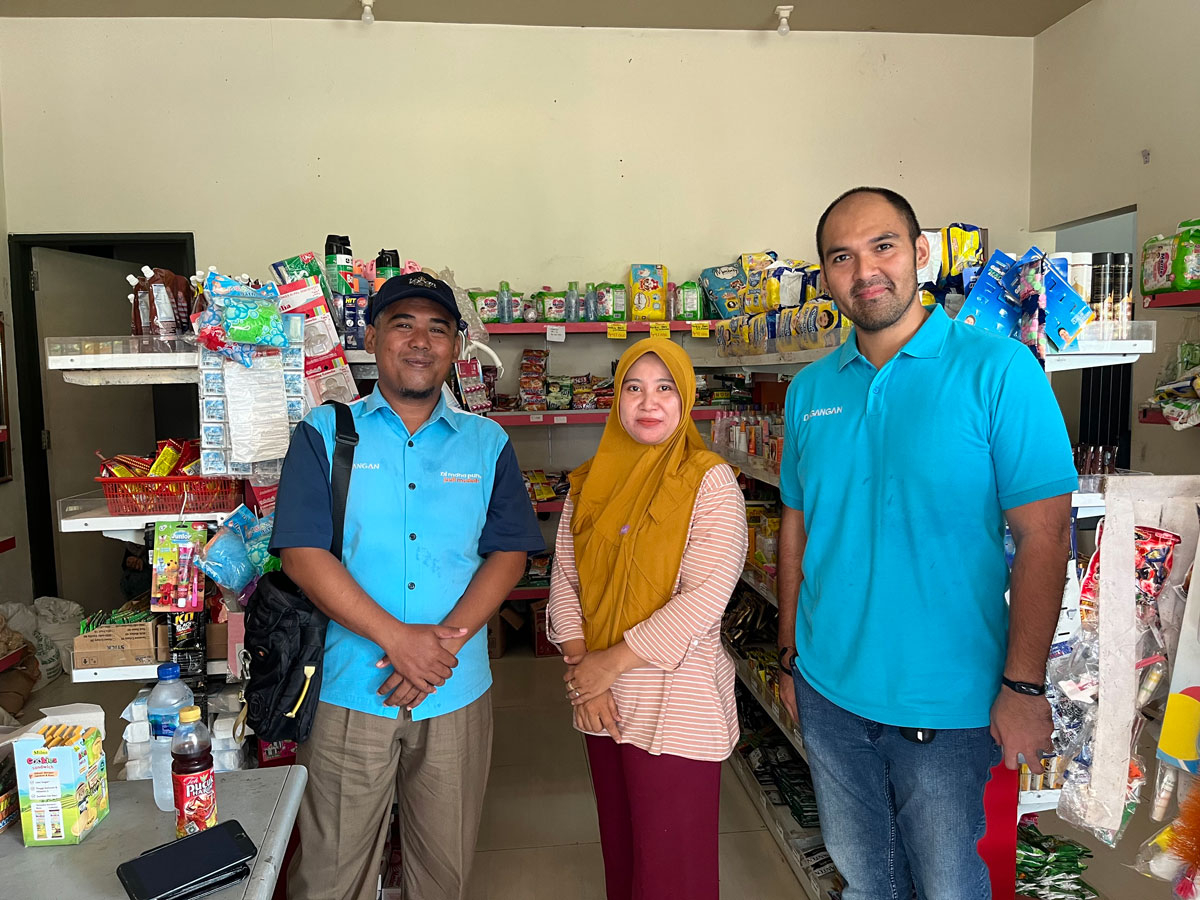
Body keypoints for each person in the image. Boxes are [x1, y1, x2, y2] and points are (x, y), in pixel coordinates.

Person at [775, 187, 1075, 899]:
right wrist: (789, 656)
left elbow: (1045, 532)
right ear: (825, 277)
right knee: (863, 883)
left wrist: (1024, 686)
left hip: (952, 706)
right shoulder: (810, 388)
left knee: (951, 889)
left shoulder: (999, 370)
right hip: (829, 694)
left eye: (882, 246)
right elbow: (797, 524)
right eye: (841, 257)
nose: (864, 270)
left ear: (921, 254)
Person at [271, 272, 544, 900]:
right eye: (402, 324)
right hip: (348, 692)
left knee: (441, 873)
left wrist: (437, 648)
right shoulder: (325, 432)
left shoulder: (487, 442)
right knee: (331, 875)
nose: (420, 340)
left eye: (438, 328)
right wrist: (399, 639)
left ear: (457, 346)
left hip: (455, 690)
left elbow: (508, 553)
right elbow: (301, 554)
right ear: (371, 337)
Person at [548, 339, 748, 900]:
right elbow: (566, 578)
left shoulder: (709, 482)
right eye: (633, 388)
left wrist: (604, 667)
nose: (648, 402)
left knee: (671, 870)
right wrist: (581, 668)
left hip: (674, 701)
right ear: (617, 401)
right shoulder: (589, 482)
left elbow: (702, 600)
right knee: (624, 852)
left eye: (665, 388)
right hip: (599, 699)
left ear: (685, 399)